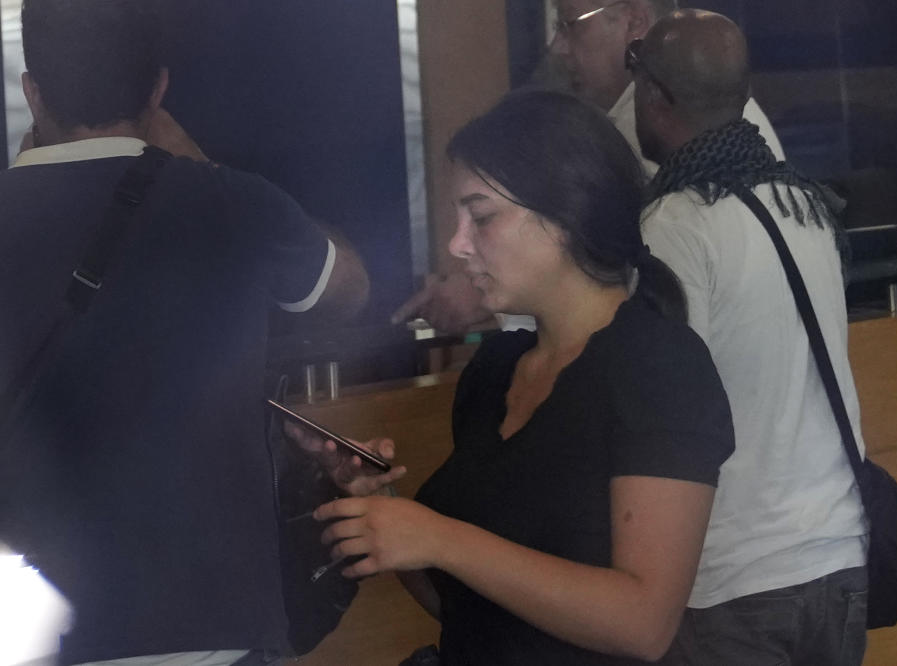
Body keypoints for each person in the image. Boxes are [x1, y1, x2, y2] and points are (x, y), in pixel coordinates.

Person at [0, 1, 403, 663]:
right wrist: (194, 162)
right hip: (216, 628)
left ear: (32, 91)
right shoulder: (233, 203)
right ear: (158, 88)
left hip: (33, 632)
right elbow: (348, 288)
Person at [313, 90, 735, 665]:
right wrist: (387, 511)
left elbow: (643, 623)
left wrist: (438, 536)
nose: (458, 245)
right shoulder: (494, 370)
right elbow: (467, 607)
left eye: (481, 216)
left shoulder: (659, 365)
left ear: (565, 214)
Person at [629, 10, 868, 665]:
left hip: (733, 584)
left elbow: (668, 416)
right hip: (837, 560)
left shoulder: (676, 226)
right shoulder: (805, 208)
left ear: (654, 97)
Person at [390, 0, 784, 334]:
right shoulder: (725, 122)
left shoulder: (654, 130)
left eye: (568, 26)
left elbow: (606, 279)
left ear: (633, 23)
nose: (559, 46)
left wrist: (481, 295)